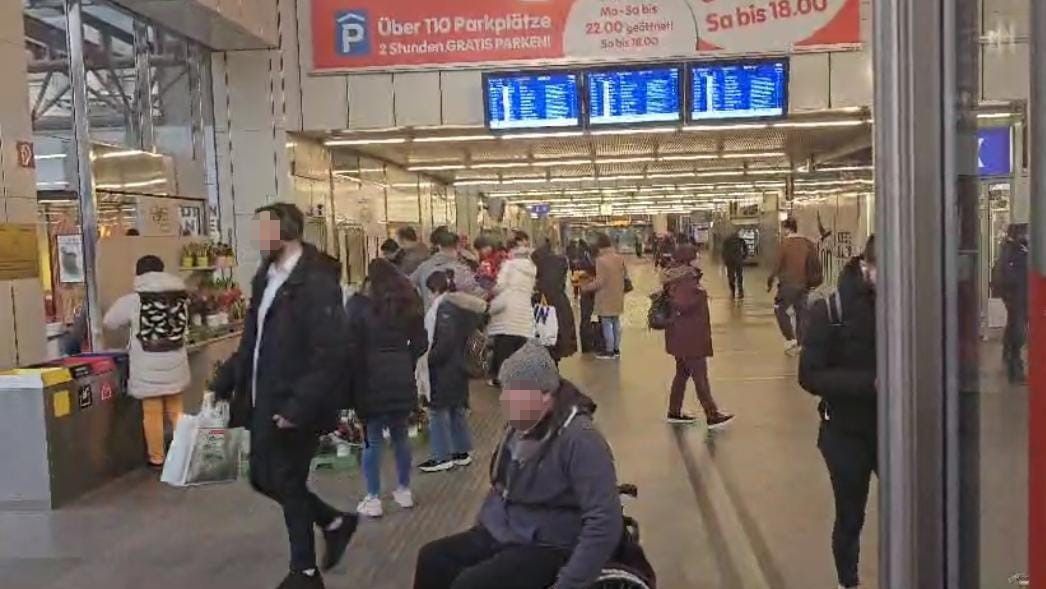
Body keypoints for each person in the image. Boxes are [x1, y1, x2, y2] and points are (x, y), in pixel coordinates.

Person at [211, 203, 355, 589]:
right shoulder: (266, 277)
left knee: (286, 478)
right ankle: (333, 521)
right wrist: (225, 381)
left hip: (294, 403)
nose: (258, 237)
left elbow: (330, 352)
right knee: (263, 477)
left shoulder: (316, 283)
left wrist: (299, 406)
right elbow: (252, 341)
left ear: (286, 231)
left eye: (263, 229)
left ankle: (304, 572)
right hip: (262, 399)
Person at [413, 342, 622, 589]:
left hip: (549, 542)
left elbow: (605, 522)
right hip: (507, 529)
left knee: (469, 585)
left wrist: (569, 583)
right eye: (504, 389)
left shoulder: (580, 439)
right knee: (433, 558)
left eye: (514, 392)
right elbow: (501, 486)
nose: (503, 399)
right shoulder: (518, 427)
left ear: (545, 395)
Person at [798, 235, 877, 589]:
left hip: (897, 428)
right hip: (844, 432)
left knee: (915, 507)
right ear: (865, 266)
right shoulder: (830, 310)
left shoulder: (911, 302)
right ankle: (849, 581)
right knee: (850, 515)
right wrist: (870, 384)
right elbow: (809, 375)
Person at [347, 258, 428, 517]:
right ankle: (404, 490)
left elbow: (350, 344)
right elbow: (421, 343)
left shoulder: (359, 306)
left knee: (372, 439)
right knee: (401, 435)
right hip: (400, 375)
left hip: (369, 377)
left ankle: (373, 498)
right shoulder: (406, 303)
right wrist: (406, 360)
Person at [102, 255, 191, 468]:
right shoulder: (179, 298)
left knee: (152, 413)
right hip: (175, 361)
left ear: (139, 273)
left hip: (147, 365)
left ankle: (157, 458)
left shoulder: (134, 300)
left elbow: (109, 322)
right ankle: (185, 451)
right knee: (176, 410)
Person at [418, 271, 487, 473]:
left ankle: (442, 456)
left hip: (445, 368)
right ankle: (461, 452)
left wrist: (427, 360)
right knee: (456, 409)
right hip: (459, 366)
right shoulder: (461, 305)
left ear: (434, 289)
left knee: (438, 411)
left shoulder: (445, 308)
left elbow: (445, 342)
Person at [660, 245, 735, 428]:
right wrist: (700, 295)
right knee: (700, 376)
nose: (698, 257)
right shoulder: (686, 279)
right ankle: (712, 414)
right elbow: (682, 304)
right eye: (695, 256)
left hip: (680, 334)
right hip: (690, 336)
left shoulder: (676, 276)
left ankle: (674, 411)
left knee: (682, 374)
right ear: (688, 259)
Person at [487, 239, 538, 386]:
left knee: (503, 347)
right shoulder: (532, 268)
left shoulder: (509, 266)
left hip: (507, 310)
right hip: (524, 310)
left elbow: (500, 286)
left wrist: (491, 290)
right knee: (520, 346)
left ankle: (501, 378)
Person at [767, 218, 819, 352]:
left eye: (783, 229)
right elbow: (815, 263)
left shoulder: (785, 244)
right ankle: (801, 342)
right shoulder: (807, 243)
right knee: (801, 312)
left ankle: (790, 339)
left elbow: (776, 264)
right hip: (804, 285)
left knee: (779, 309)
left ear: (787, 229)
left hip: (788, 285)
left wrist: (770, 280)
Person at [992, 223, 1029, 383]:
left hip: (1017, 296)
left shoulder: (1016, 248)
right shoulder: (1013, 250)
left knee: (1014, 328)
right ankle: (1015, 370)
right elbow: (1011, 274)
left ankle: (1010, 360)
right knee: (1018, 332)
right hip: (1017, 296)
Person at [411, 226, 482, 308]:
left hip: (430, 316)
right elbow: (477, 295)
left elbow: (410, 285)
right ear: (458, 245)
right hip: (457, 317)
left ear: (439, 246)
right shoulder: (463, 269)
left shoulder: (423, 267)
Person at [582, 233, 627, 360]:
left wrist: (586, 287)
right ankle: (617, 349)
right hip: (617, 294)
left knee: (607, 324)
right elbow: (625, 275)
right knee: (616, 322)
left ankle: (609, 351)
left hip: (605, 296)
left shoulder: (600, 261)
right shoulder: (619, 258)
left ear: (599, 247)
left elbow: (600, 282)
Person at [533, 240, 578, 363]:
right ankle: (554, 365)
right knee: (558, 336)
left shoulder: (538, 266)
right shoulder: (561, 262)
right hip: (560, 304)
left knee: (543, 335)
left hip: (542, 303)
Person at [721, 229, 749, 299]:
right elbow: (746, 249)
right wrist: (744, 256)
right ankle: (740, 292)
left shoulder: (727, 241)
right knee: (739, 277)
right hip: (738, 260)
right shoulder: (740, 240)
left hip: (730, 261)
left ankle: (733, 292)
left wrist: (724, 260)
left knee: (731, 277)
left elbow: (723, 251)